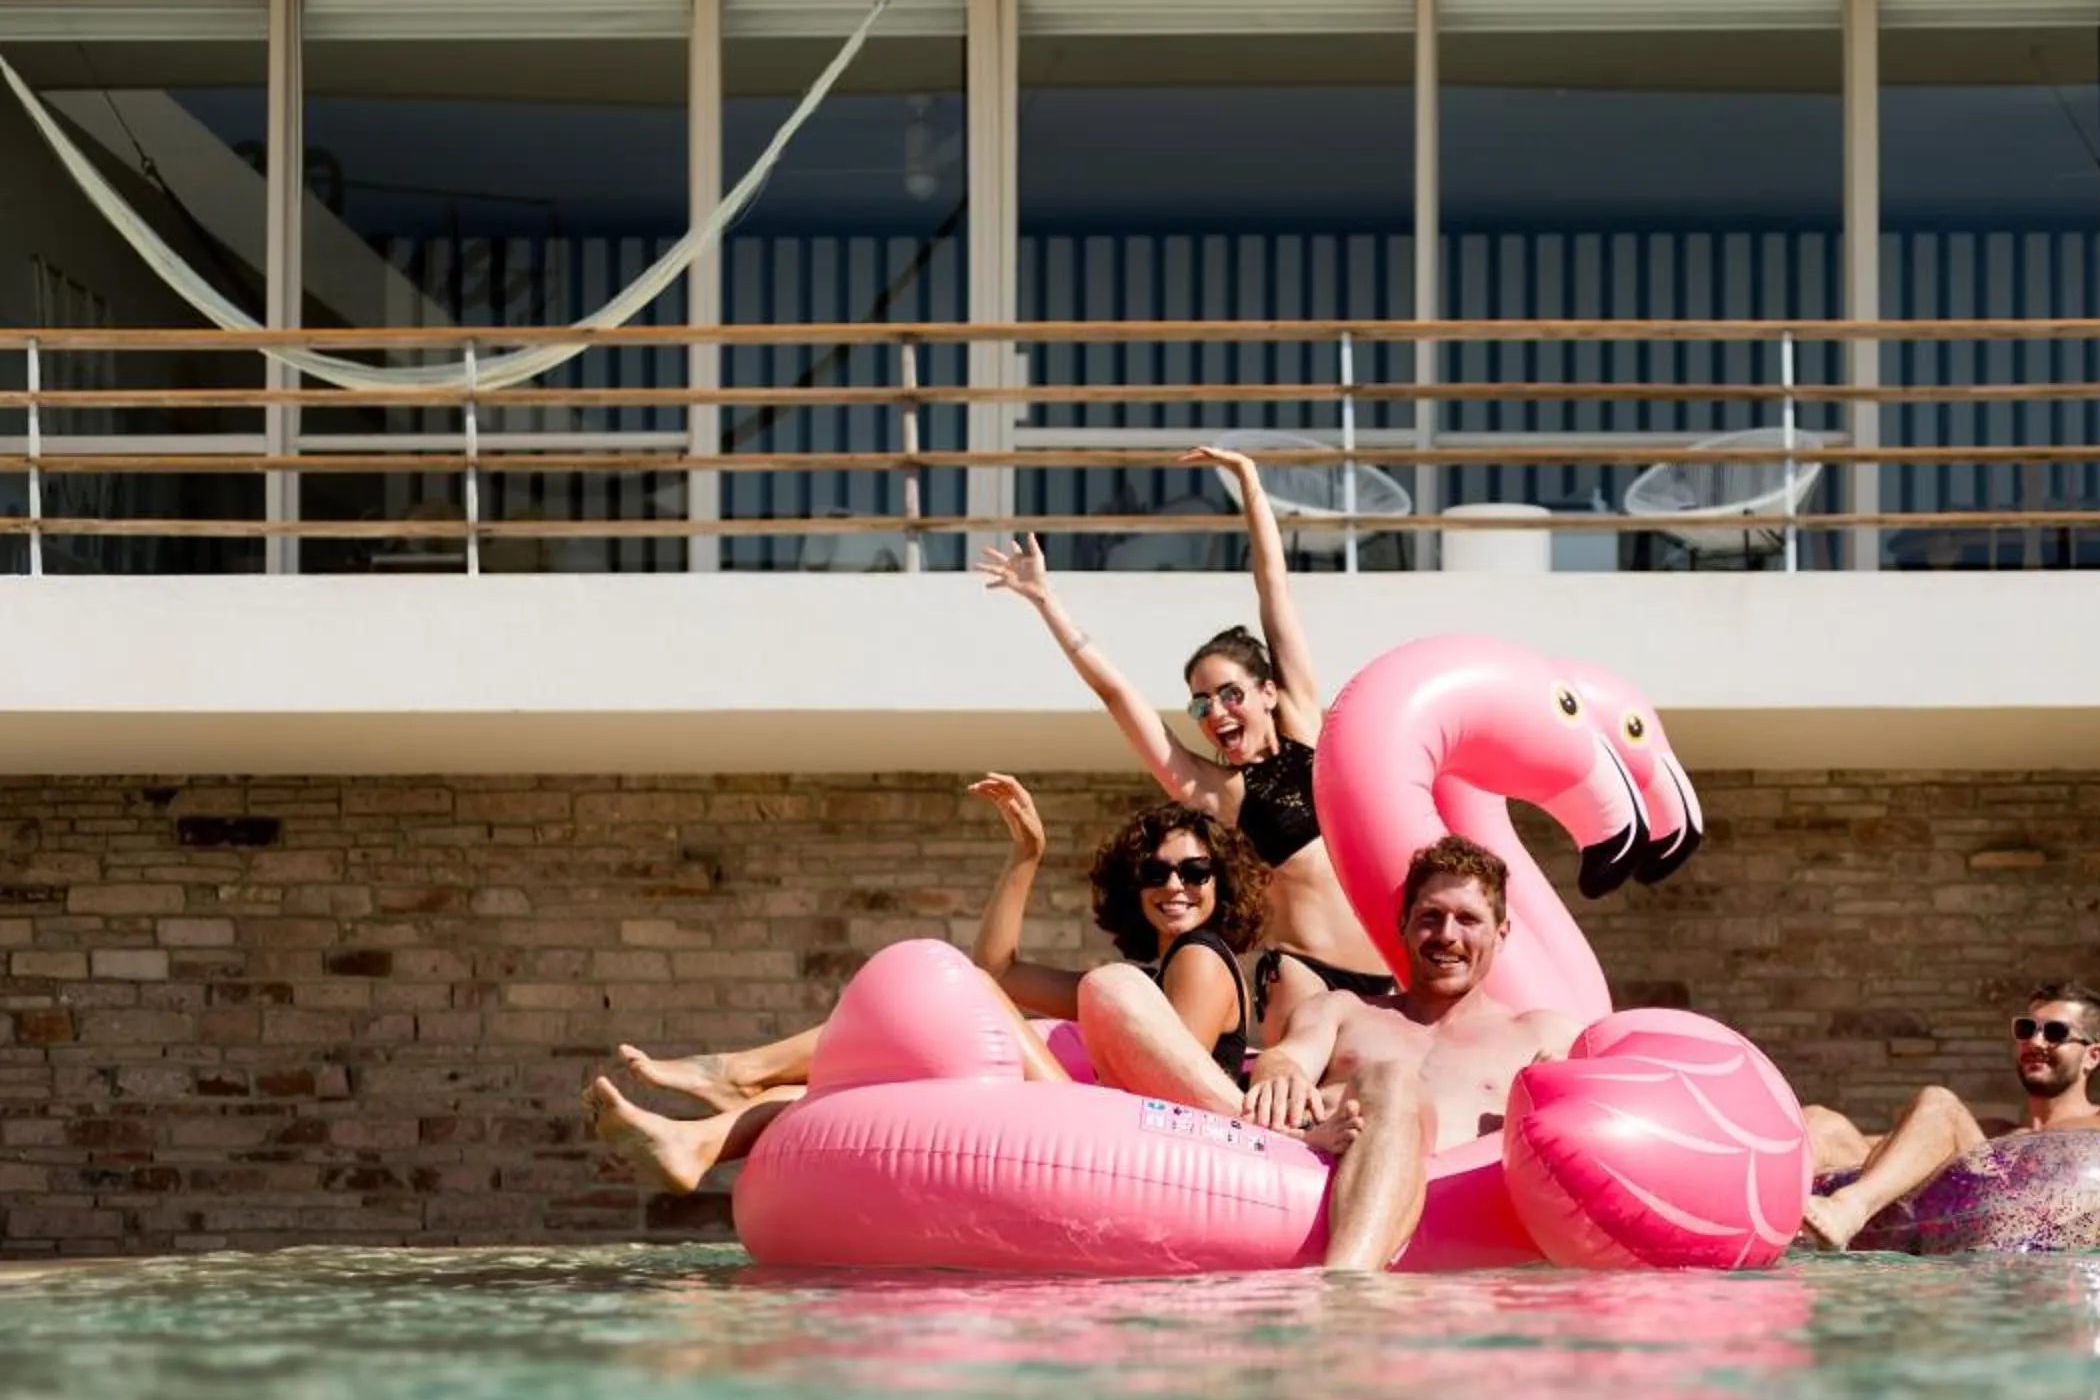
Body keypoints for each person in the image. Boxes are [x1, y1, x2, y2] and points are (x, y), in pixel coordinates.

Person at [589, 782, 1281, 1192]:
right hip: (1094, 1118)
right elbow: (1002, 969)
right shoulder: (1142, 984)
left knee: (960, 992)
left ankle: (738, 1070)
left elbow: (1175, 1094)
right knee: (874, 1075)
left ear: (1221, 882)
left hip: (1127, 1146)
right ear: (1133, 889)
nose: (1174, 887)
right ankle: (703, 1141)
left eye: (1194, 873)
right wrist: (1025, 856)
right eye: (1155, 874)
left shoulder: (1198, 957)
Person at [976, 444, 1396, 1034]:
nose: (1215, 711)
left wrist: (1250, 479)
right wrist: (1050, 605)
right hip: (1307, 983)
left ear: (1267, 693)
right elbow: (1121, 699)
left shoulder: (1305, 725)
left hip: (1388, 977)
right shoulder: (1221, 791)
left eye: (1229, 694)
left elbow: (1273, 591)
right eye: (1200, 703)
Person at [1093, 834, 1581, 1273]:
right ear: (1405, 925)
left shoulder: (1542, 1033)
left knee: (1392, 1081)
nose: (1447, 935)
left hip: (1456, 1228)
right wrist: (1281, 1070)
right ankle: (1350, 1287)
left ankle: (1347, 1287)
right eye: (1430, 916)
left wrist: (1558, 1088)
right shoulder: (1342, 1010)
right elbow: (1285, 1058)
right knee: (1389, 1079)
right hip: (1300, 1193)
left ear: (1501, 933)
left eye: (1468, 919)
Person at [1800, 980, 2100, 1253]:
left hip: (2027, 1246)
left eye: (2054, 1032)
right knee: (1821, 1121)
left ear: (2093, 1055)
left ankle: (1848, 1212)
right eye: (2026, 1028)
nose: (2036, 1041)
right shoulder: (1994, 1132)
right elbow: (1875, 1150)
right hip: (1953, 1227)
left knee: (1940, 1104)